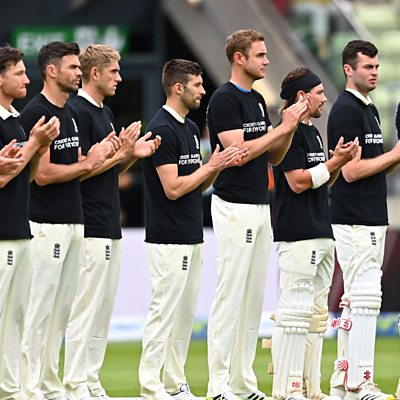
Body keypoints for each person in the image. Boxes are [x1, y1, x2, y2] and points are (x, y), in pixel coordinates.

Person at [206, 29, 308, 400]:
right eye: (260, 55)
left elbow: (273, 157)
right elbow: (239, 153)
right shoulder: (224, 99)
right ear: (239, 58)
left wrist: (288, 129)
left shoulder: (257, 100)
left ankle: (242, 382)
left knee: (252, 300)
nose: (267, 60)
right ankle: (218, 384)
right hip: (234, 206)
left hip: (259, 206)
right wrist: (281, 128)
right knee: (230, 296)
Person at [139, 58, 244, 400]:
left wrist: (216, 168)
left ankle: (174, 383)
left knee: (184, 316)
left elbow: (196, 184)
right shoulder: (162, 128)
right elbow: (173, 188)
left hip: (190, 233)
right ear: (178, 87)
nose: (203, 90)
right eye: (197, 85)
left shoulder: (187, 128)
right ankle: (151, 385)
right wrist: (211, 166)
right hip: (167, 238)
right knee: (164, 313)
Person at [62, 44, 160, 400]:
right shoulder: (77, 112)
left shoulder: (103, 112)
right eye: (114, 71)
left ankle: (90, 379)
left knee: (102, 311)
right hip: (89, 224)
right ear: (94, 73)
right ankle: (75, 382)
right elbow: (81, 171)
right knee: (85, 309)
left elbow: (106, 170)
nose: (119, 77)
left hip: (108, 223)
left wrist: (130, 156)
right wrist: (119, 155)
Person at [19, 41, 116, 400]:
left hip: (74, 222)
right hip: (46, 224)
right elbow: (43, 175)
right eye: (73, 67)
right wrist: (90, 161)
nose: (79, 73)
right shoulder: (37, 112)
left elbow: (78, 166)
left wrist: (109, 156)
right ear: (51, 71)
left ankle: (49, 384)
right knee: (39, 312)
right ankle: (29, 387)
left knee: (60, 313)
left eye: (78, 67)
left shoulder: (69, 114)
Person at [270, 67, 358, 400]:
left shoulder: (313, 132)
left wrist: (337, 161)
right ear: (302, 96)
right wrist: (333, 164)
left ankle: (311, 387)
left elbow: (322, 180)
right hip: (297, 233)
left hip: (321, 229)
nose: (324, 98)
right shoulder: (287, 132)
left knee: (317, 316)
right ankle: (287, 387)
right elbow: (297, 182)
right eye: (319, 92)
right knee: (294, 312)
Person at [328, 40, 400, 400]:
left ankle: (344, 383)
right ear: (348, 69)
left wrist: (393, 158)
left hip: (370, 215)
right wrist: (396, 154)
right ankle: (360, 382)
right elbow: (351, 171)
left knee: (356, 299)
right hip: (355, 217)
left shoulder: (369, 109)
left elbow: (376, 166)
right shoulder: (346, 110)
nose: (374, 72)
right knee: (365, 298)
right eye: (367, 66)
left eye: (376, 66)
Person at [0, 44, 60, 400]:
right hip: (2, 236)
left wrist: (38, 149)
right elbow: (2, 177)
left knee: (16, 319)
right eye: (19, 73)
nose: (27, 79)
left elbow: (28, 175)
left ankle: (11, 390)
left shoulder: (15, 119)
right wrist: (34, 142)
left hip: (20, 231)